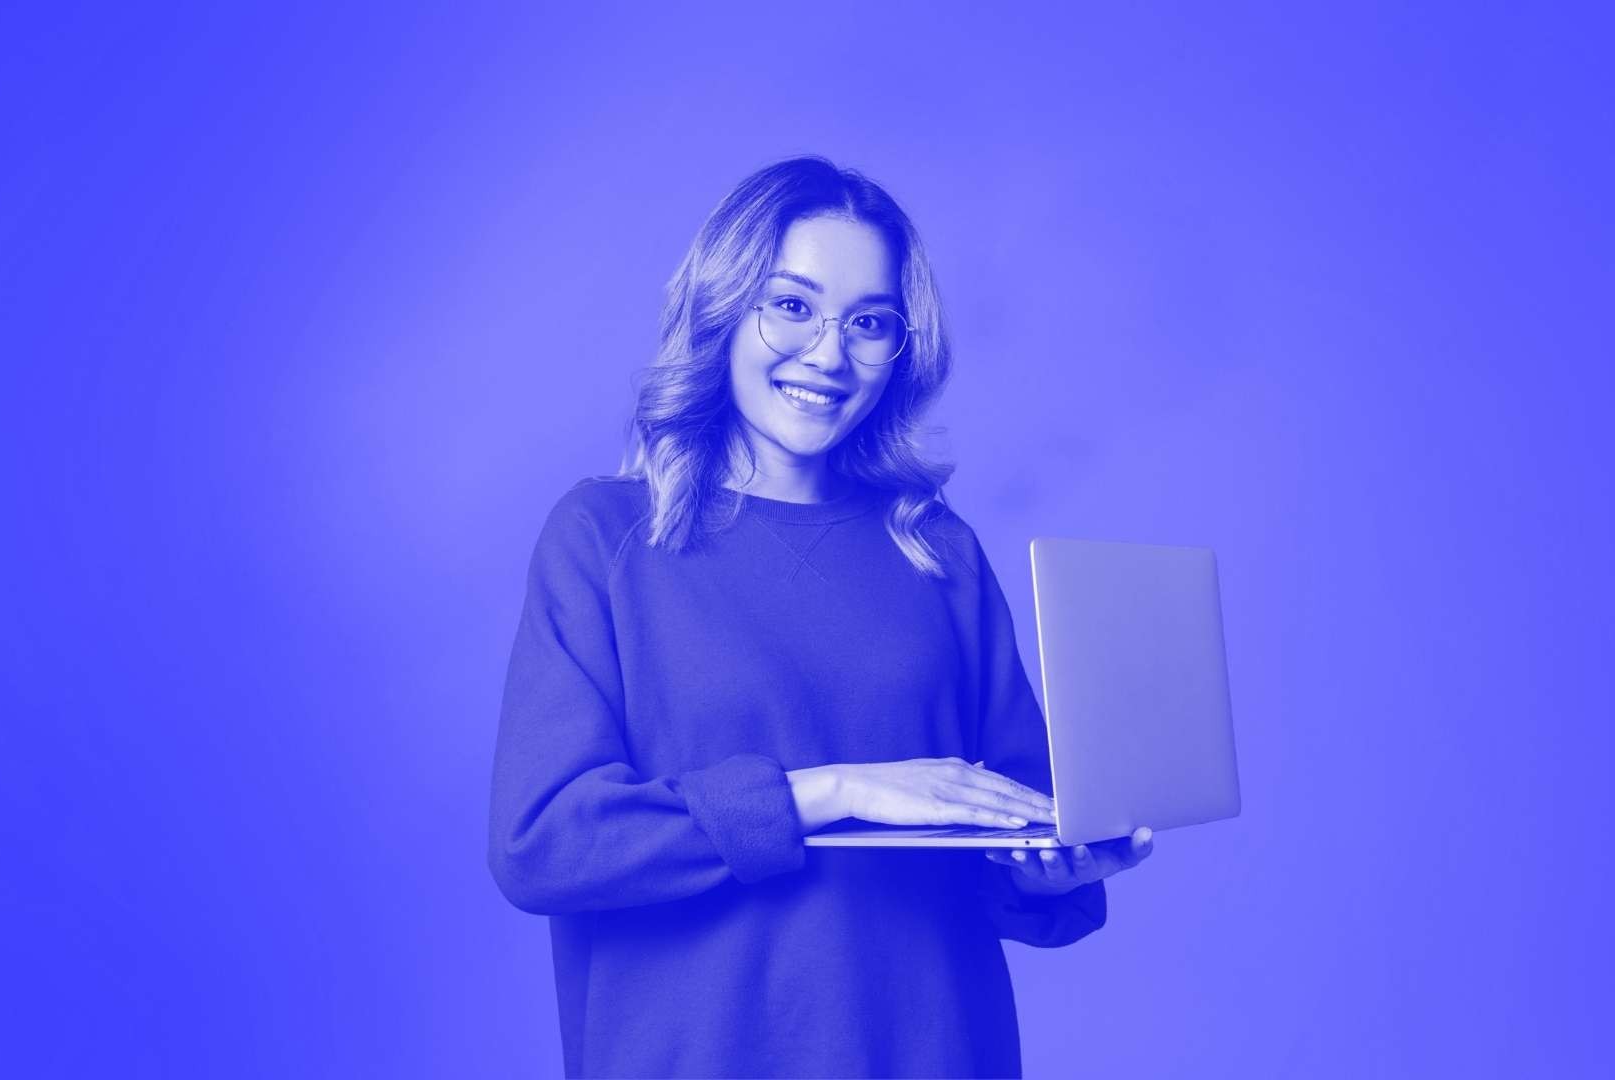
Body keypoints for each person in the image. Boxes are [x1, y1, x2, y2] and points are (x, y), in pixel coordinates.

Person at [487, 156, 1155, 1079]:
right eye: (793, 306)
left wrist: (1045, 867)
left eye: (869, 323)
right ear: (722, 308)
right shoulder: (605, 537)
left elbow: (1004, 822)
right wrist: (833, 790)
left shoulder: (936, 549)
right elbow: (545, 843)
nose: (829, 355)